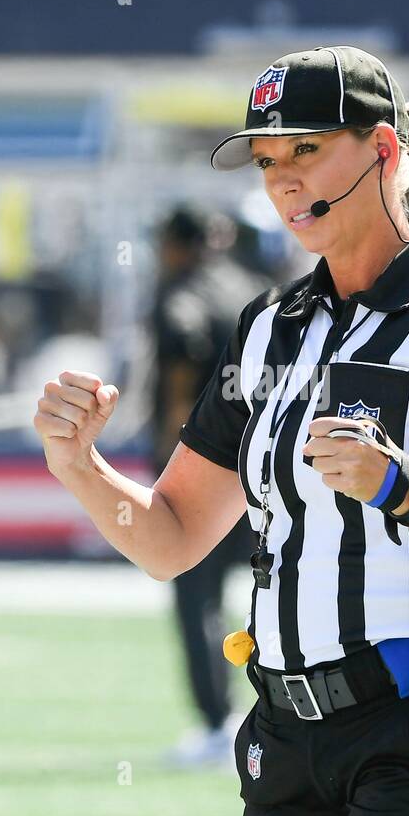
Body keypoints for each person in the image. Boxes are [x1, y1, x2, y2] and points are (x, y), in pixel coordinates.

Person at [34, 45, 409, 816]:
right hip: (285, 735)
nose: (284, 179)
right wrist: (79, 465)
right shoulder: (270, 328)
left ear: (382, 149)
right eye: (268, 160)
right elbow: (171, 540)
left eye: (307, 149)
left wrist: (404, 491)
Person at [150, 205, 265, 768]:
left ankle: (220, 724)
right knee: (276, 593)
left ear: (176, 244)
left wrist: (177, 451)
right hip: (268, 471)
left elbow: (182, 350)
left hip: (207, 469)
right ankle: (273, 715)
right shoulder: (254, 289)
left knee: (196, 597)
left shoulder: (181, 292)